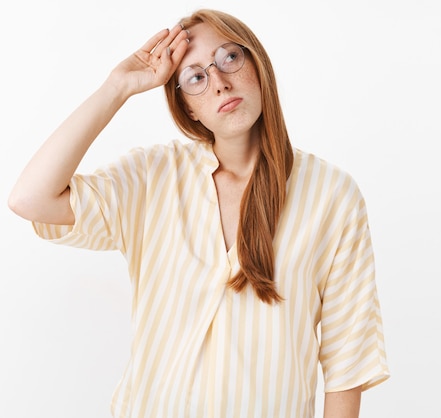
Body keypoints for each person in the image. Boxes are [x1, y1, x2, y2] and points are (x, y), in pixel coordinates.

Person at [8, 8, 389, 418]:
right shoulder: (153, 177)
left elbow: (347, 365)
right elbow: (30, 199)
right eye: (196, 78)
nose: (221, 84)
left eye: (229, 58)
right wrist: (116, 88)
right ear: (189, 109)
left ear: (257, 65)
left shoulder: (332, 196)